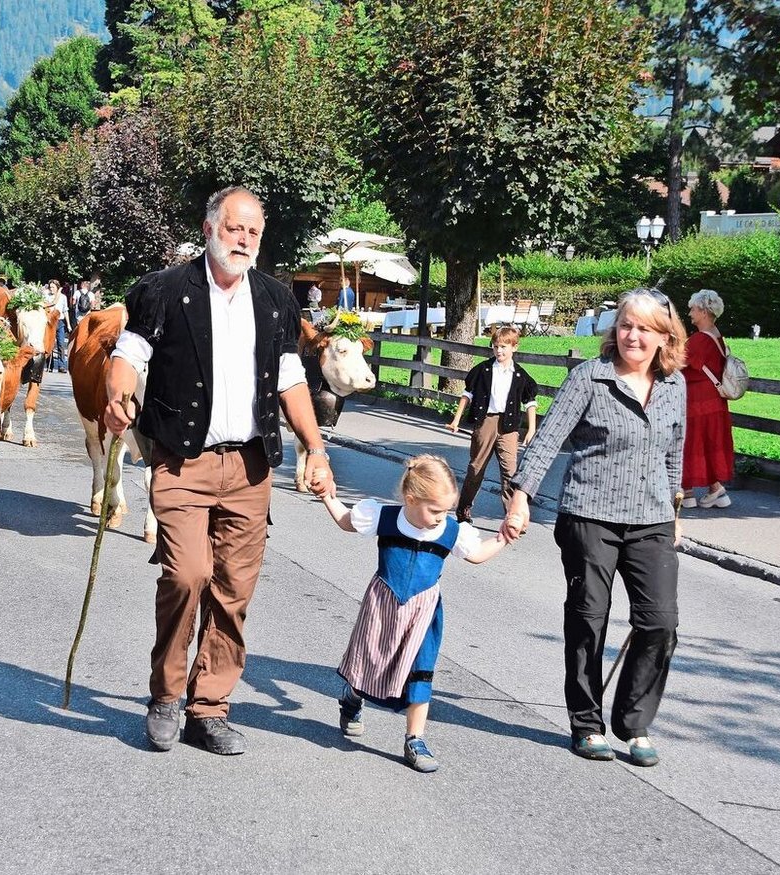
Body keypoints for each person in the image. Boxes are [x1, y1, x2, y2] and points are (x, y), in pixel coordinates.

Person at [104, 185, 335, 756]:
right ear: (210, 229)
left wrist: (315, 446)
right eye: (236, 228)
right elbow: (128, 358)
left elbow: (289, 380)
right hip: (184, 460)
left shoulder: (277, 301)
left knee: (234, 589)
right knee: (186, 575)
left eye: (254, 231)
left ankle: (209, 708)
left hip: (251, 467)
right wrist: (116, 398)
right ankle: (165, 696)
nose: (245, 240)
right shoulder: (163, 291)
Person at [502, 288, 687, 768]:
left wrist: (675, 510)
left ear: (665, 337)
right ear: (615, 329)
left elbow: (673, 454)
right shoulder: (591, 377)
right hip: (590, 515)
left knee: (660, 622)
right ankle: (586, 722)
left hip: (651, 520)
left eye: (645, 328)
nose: (633, 335)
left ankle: (634, 721)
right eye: (626, 324)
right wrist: (520, 498)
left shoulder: (674, 386)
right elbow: (547, 441)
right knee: (589, 616)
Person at [321, 455, 507, 773]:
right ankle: (353, 697)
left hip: (424, 612)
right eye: (434, 510)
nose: (440, 518)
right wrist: (328, 495)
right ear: (411, 499)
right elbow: (345, 521)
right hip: (384, 604)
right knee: (371, 661)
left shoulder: (450, 531)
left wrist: (503, 537)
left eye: (446, 511)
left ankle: (415, 739)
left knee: (421, 670)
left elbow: (476, 555)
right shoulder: (384, 517)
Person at [447, 325, 540, 523]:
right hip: (486, 422)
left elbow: (530, 402)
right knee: (476, 468)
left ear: (514, 347)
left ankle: (513, 517)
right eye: (496, 346)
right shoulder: (483, 370)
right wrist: (456, 420)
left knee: (510, 472)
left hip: (509, 426)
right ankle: (463, 510)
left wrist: (531, 429)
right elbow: (467, 395)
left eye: (504, 347)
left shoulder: (520, 375)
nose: (499, 350)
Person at [681, 289, 735, 508]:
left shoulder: (699, 340)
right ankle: (715, 489)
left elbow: (676, 363)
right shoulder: (717, 336)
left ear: (703, 311)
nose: (690, 313)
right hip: (714, 399)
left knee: (690, 440)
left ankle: (687, 491)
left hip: (697, 399)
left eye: (693, 309)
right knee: (709, 442)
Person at [47, 281, 71, 373]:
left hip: (60, 322)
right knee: (50, 344)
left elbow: (65, 311)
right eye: (50, 287)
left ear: (57, 287)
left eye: (53, 287)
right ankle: (50, 365)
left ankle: (61, 366)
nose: (51, 289)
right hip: (50, 321)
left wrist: (68, 324)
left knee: (61, 344)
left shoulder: (63, 297)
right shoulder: (47, 296)